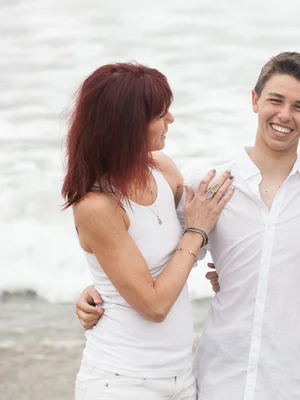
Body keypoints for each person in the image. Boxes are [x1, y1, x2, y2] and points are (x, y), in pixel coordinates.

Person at [76, 52, 300, 399]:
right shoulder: (209, 187)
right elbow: (146, 251)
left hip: (296, 381)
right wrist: (96, 290)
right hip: (220, 378)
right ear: (254, 100)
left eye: (299, 106)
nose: (284, 115)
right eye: (275, 100)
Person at [62, 62, 234, 400]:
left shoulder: (163, 170)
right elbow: (154, 305)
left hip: (182, 376)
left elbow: (204, 239)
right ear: (129, 125)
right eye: (161, 114)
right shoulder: (97, 204)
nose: (171, 120)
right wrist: (196, 229)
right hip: (121, 381)